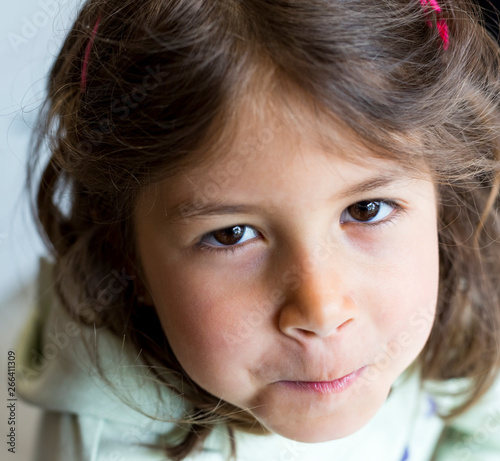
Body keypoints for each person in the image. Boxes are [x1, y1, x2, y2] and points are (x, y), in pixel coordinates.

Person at [17, 0, 500, 460]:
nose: (321, 309)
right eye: (231, 235)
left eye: (367, 209)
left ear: (441, 198)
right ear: (125, 255)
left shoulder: (456, 314)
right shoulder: (108, 448)